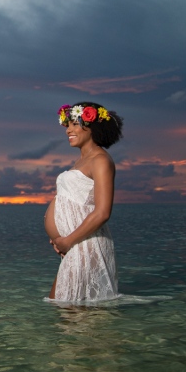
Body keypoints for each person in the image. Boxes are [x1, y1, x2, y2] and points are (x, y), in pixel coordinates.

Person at [44, 102, 124, 302]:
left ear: (92, 126)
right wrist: (59, 237)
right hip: (73, 246)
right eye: (67, 125)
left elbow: (103, 212)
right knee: (69, 315)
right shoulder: (80, 161)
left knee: (73, 316)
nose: (68, 130)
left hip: (84, 245)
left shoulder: (100, 160)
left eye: (74, 124)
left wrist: (67, 240)